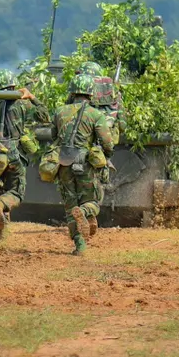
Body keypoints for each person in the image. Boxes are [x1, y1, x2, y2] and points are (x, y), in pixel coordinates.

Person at [0, 69, 48, 238]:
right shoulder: (21, 104)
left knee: (0, 191)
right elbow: (44, 115)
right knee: (16, 192)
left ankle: (2, 233)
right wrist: (31, 96)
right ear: (12, 85)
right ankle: (1, 208)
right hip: (13, 154)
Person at [50, 75, 114, 256]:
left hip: (63, 162)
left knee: (70, 205)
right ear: (91, 93)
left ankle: (80, 246)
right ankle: (85, 211)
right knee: (94, 201)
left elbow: (53, 136)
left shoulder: (60, 111)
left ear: (72, 91)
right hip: (85, 163)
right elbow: (107, 142)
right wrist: (106, 157)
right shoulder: (96, 114)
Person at [79, 60, 122, 146]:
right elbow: (122, 123)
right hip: (106, 139)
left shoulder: (79, 91)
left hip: (82, 138)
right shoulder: (115, 92)